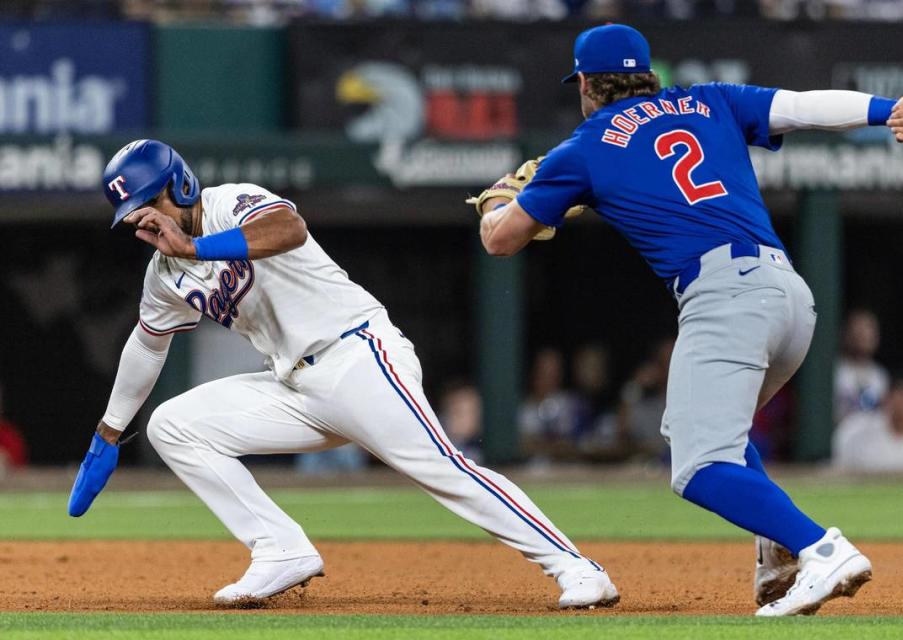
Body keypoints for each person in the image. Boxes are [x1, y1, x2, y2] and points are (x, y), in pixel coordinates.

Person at [471, 23, 903, 616]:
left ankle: (821, 548)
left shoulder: (583, 147)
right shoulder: (709, 99)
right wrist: (886, 108)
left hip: (724, 297)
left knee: (698, 466)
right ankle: (778, 551)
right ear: (647, 75)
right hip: (789, 297)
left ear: (585, 82)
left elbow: (501, 242)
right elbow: (801, 106)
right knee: (716, 438)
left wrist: (501, 195)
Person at [67, 139, 618, 609]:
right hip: (294, 386)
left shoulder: (228, 203)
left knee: (441, 469)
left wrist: (197, 245)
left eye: (148, 201)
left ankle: (576, 567)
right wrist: (107, 434)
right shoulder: (164, 272)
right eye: (133, 214)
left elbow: (288, 228)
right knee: (173, 425)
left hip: (358, 355)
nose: (144, 218)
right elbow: (146, 345)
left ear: (180, 187)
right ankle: (280, 549)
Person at [834, 309, 889, 425]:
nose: (863, 335)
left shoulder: (880, 375)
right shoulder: (836, 370)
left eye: (868, 329)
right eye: (858, 329)